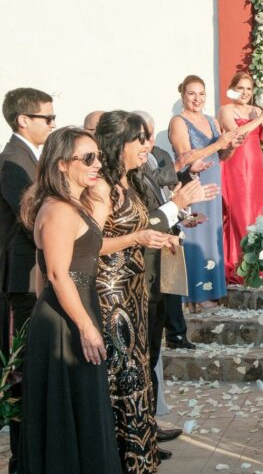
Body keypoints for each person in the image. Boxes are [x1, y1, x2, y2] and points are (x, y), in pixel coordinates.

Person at [17, 126, 122, 473]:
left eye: (98, 157)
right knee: (72, 409)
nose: (97, 164)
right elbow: (57, 274)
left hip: (70, 310)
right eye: (88, 158)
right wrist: (85, 327)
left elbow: (47, 272)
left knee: (81, 406)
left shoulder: (71, 205)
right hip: (67, 319)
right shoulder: (60, 210)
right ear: (62, 163)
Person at [94, 111, 178, 472]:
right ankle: (119, 459)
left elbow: (135, 229)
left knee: (138, 371)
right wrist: (138, 237)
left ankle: (139, 459)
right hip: (112, 294)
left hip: (135, 289)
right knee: (121, 375)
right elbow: (90, 244)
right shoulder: (101, 187)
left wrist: (160, 238)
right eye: (139, 139)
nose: (147, 145)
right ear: (118, 144)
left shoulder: (129, 181)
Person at [134, 110, 218, 444]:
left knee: (151, 354)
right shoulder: (126, 176)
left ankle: (148, 425)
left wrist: (181, 212)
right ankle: (141, 429)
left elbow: (160, 208)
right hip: (140, 275)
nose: (148, 144)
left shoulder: (151, 163)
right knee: (142, 356)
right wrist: (178, 205)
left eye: (150, 136)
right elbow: (143, 222)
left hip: (159, 269)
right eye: (142, 138)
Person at [0, 87, 55, 473]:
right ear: (23, 120)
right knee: (23, 366)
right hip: (25, 276)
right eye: (47, 118)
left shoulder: (29, 157)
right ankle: (22, 457)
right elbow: (31, 217)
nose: (52, 124)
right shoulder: (12, 162)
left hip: (34, 273)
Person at [168, 75, 236, 311]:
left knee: (211, 235)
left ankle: (212, 289)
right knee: (195, 233)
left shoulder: (211, 120)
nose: (197, 99)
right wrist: (219, 144)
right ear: (183, 95)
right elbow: (186, 157)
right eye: (191, 93)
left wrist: (231, 147)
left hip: (213, 183)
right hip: (193, 184)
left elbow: (221, 156)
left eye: (201, 94)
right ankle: (194, 295)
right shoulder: (178, 122)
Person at [218, 71, 263, 284]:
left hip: (255, 165)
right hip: (235, 164)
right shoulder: (226, 110)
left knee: (255, 214)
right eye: (240, 88)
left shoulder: (257, 110)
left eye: (248, 88)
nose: (245, 92)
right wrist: (261, 118)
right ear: (232, 89)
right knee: (240, 212)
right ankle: (239, 265)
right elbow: (237, 134)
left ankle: (257, 265)